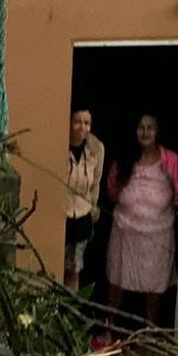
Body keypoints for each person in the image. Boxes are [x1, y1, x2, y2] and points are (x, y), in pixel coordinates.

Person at [105, 114, 178, 326]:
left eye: (150, 128)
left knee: (154, 284)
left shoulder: (171, 160)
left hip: (157, 234)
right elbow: (112, 190)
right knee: (117, 279)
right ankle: (109, 327)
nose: (145, 132)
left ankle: (151, 332)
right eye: (141, 127)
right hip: (125, 232)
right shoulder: (125, 158)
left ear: (158, 132)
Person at [64, 109, 105, 290]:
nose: (82, 128)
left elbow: (95, 184)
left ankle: (70, 314)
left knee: (74, 270)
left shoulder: (96, 150)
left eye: (87, 123)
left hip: (82, 218)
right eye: (77, 122)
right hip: (62, 215)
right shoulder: (61, 145)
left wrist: (92, 208)